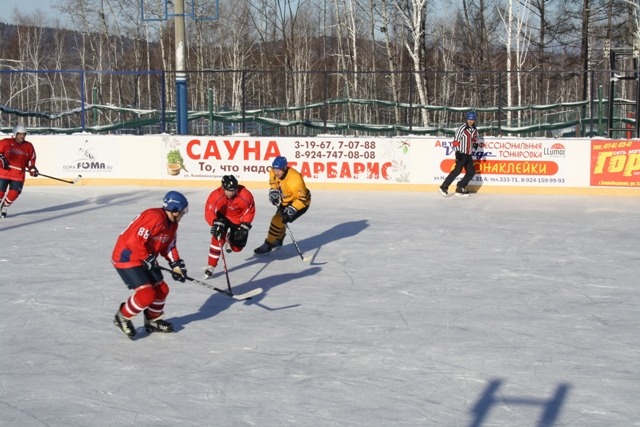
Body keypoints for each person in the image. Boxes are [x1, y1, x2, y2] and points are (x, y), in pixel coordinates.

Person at [111, 191, 189, 339]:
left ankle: (153, 320)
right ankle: (122, 317)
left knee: (161, 290)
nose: (183, 213)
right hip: (127, 256)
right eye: (182, 210)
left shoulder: (172, 224)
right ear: (174, 209)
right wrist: (147, 258)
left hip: (145, 256)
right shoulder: (154, 217)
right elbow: (134, 241)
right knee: (146, 295)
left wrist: (176, 265)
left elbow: (169, 245)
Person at [254, 156, 311, 255]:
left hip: (301, 203)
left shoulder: (295, 180)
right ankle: (279, 239)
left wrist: (292, 209)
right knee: (281, 221)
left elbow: (303, 199)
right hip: (286, 200)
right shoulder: (273, 171)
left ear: (284, 168)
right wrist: (274, 191)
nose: (276, 173)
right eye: (274, 169)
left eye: (279, 170)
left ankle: (268, 244)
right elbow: (273, 182)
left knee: (277, 220)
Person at [203, 175, 256, 278]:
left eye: (234, 190)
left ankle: (230, 239)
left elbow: (249, 212)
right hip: (222, 218)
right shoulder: (215, 195)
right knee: (217, 238)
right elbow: (209, 211)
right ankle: (211, 266)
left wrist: (244, 226)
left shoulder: (245, 195)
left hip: (238, 219)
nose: (232, 193)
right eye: (229, 190)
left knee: (237, 248)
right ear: (223, 188)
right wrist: (214, 223)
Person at [0, 124, 38, 218]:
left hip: (18, 174)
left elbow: (31, 159)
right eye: (20, 134)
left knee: (14, 193)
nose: (22, 136)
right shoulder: (5, 142)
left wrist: (32, 168)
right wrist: (1, 159)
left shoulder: (28, 146)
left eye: (24, 134)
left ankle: (4, 206)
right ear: (15, 134)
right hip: (3, 173)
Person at [439, 111, 479, 197]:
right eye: (469, 119)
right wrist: (457, 152)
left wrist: (475, 143)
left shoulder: (475, 129)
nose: (470, 121)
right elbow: (456, 141)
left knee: (471, 172)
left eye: (472, 119)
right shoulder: (462, 128)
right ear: (467, 119)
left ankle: (460, 188)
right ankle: (443, 187)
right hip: (461, 153)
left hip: (468, 154)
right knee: (457, 171)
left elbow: (475, 138)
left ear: (474, 120)